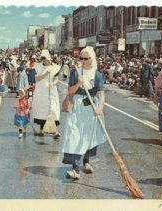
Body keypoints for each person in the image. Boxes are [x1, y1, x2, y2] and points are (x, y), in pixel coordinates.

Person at [62, 46, 106, 180]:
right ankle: (75, 168)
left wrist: (100, 108)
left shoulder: (97, 75)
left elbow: (101, 93)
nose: (82, 61)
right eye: (80, 58)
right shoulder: (75, 72)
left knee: (88, 136)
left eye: (85, 58)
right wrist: (78, 84)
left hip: (91, 107)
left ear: (91, 59)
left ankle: (86, 161)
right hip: (77, 106)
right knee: (74, 135)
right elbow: (69, 91)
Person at [31, 49, 61, 139]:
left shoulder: (55, 67)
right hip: (40, 91)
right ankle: (42, 130)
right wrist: (45, 74)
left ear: (49, 59)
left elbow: (56, 79)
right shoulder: (37, 67)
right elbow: (36, 79)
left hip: (51, 91)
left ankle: (55, 131)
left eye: (45, 59)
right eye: (42, 59)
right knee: (42, 110)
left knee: (53, 109)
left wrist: (53, 83)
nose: (44, 61)